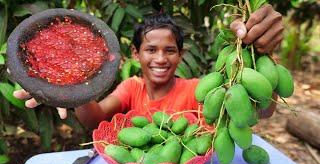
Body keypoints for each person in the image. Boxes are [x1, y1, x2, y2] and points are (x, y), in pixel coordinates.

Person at [13, 4, 283, 130]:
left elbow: (262, 111)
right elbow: (96, 119)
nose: (160, 59)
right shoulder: (131, 88)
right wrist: (72, 89)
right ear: (136, 53)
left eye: (170, 50)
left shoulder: (197, 90)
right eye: (151, 50)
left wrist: (262, 57)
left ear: (181, 55)